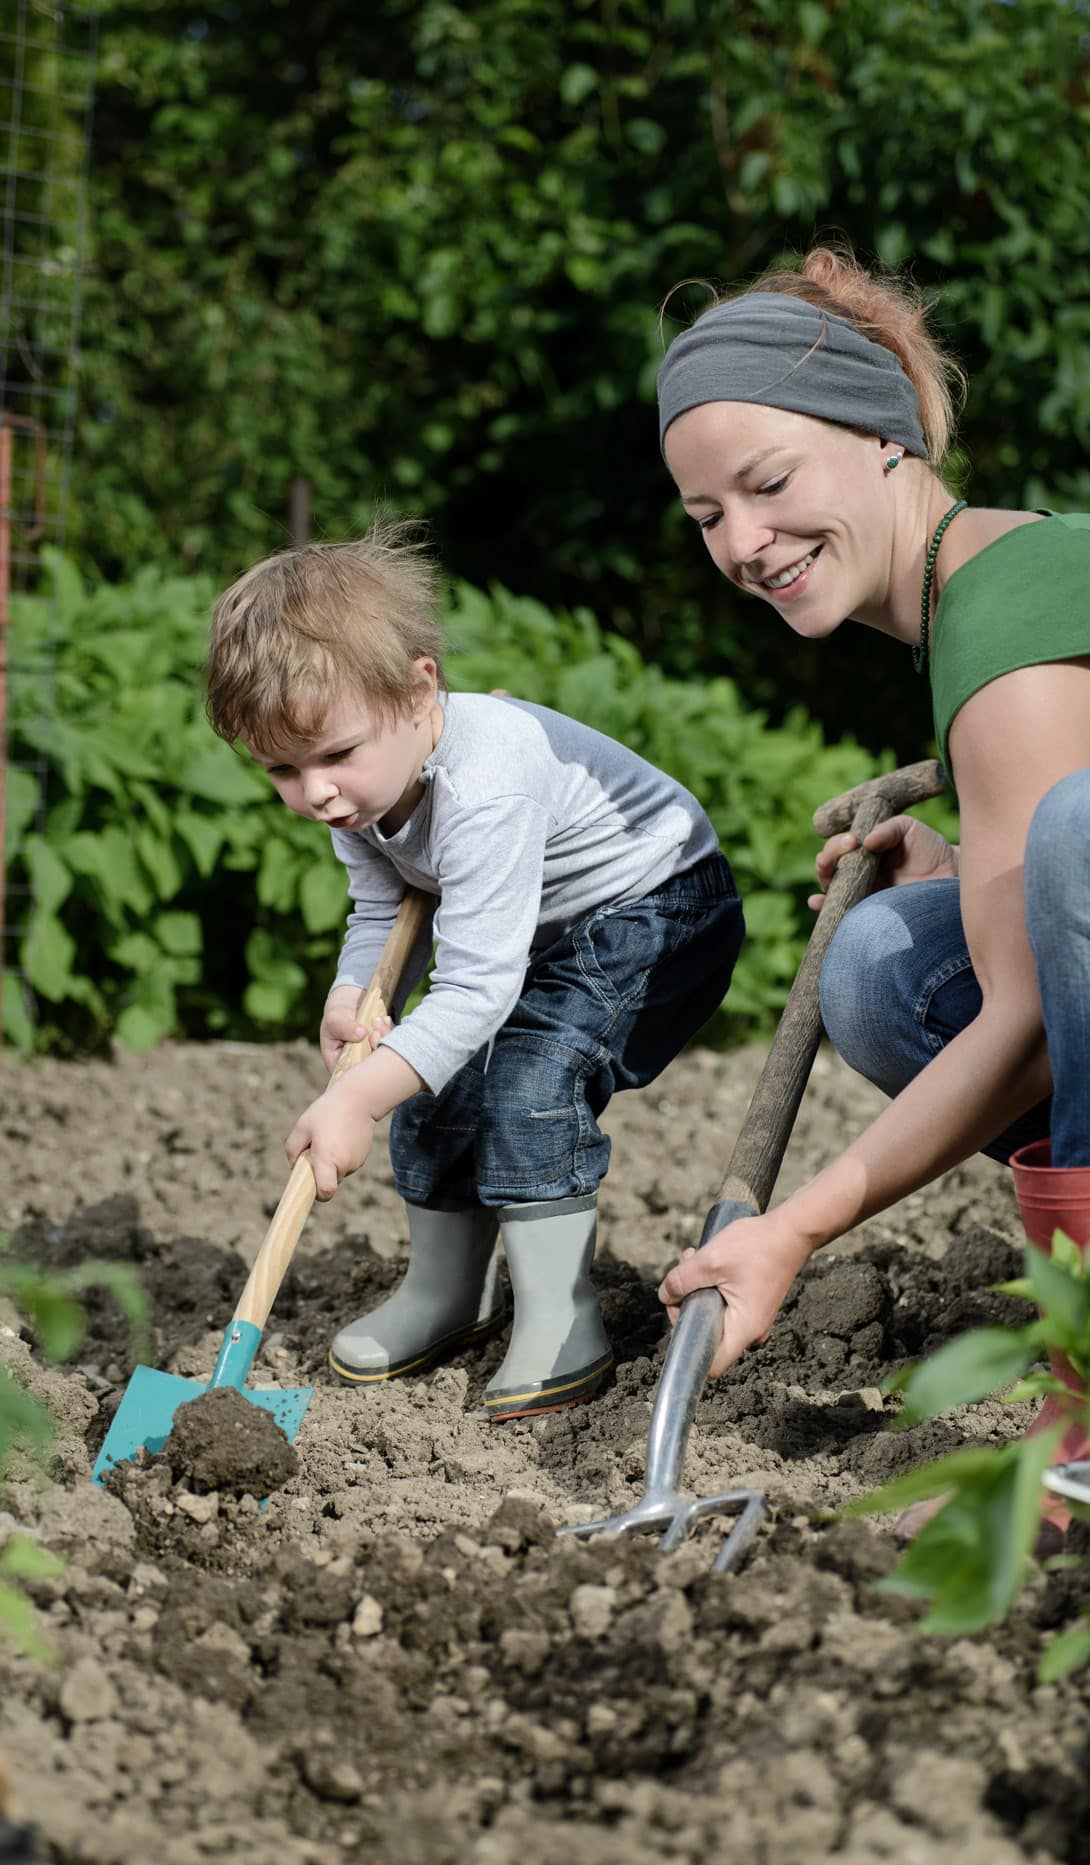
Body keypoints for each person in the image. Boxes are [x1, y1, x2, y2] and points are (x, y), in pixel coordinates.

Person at [653, 245, 1090, 1493]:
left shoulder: (1001, 626)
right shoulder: (984, 587)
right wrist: (963, 858)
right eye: (705, 518)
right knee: (882, 967)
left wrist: (789, 1230)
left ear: (882, 433)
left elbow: (1023, 1025)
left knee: (1072, 837)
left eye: (769, 482)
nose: (743, 541)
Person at [206, 523, 743, 1418]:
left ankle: (560, 1315)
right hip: (540, 925)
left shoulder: (484, 786)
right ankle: (448, 1293)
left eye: (336, 755)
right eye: (282, 772)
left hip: (658, 907)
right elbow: (384, 907)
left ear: (420, 693)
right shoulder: (367, 794)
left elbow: (478, 989)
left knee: (528, 1078)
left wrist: (352, 1099)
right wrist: (355, 993)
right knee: (432, 1077)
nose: (317, 795)